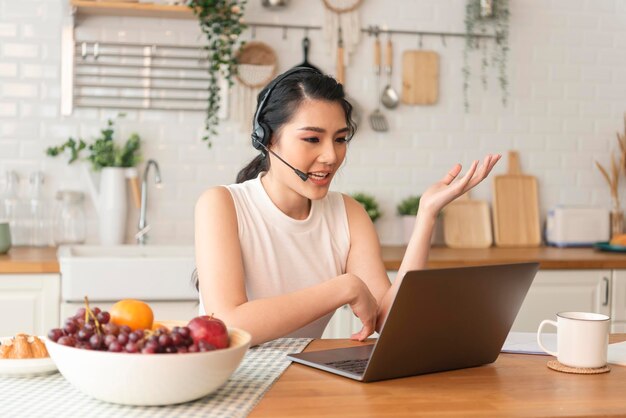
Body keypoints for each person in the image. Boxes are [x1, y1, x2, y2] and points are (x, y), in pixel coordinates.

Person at [194, 67, 500, 347]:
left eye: (340, 139)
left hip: (297, 381)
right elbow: (228, 324)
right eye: (312, 138)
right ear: (266, 139)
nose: (330, 156)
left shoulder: (348, 213)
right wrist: (343, 288)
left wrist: (426, 216)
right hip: (230, 382)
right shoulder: (222, 205)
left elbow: (389, 321)